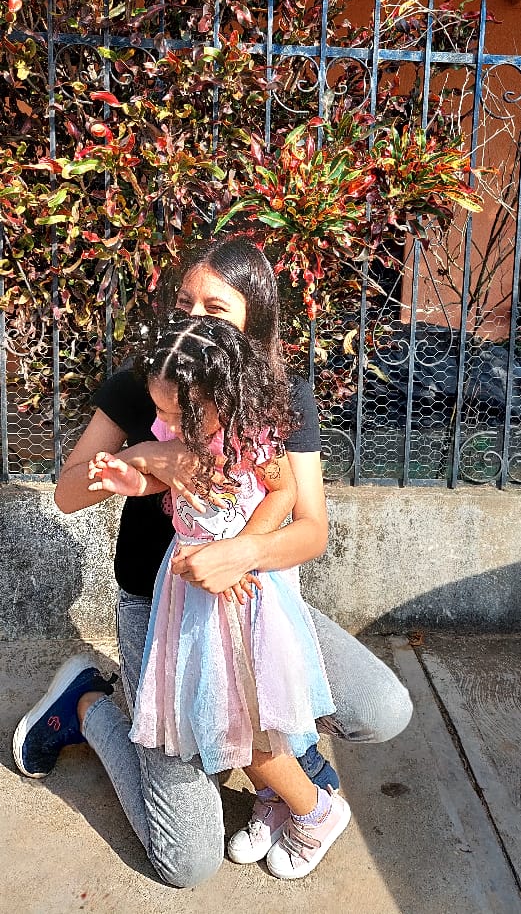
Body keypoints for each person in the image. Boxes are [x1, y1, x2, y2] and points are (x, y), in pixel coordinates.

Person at [12, 235, 413, 889]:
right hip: (159, 607)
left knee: (379, 709)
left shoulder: (276, 400)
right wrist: (148, 458)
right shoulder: (152, 381)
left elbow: (308, 526)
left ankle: (283, 769)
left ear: (254, 319)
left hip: (250, 596)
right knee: (187, 862)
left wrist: (242, 553)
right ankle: (88, 704)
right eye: (184, 302)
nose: (194, 318)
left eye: (216, 308)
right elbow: (69, 492)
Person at [87, 313, 350, 879]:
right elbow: (163, 479)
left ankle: (316, 811)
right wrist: (131, 476)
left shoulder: (251, 438)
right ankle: (276, 800)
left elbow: (283, 492)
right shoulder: (176, 429)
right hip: (191, 594)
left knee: (244, 720)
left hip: (242, 595)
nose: (165, 423)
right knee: (215, 709)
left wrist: (242, 550)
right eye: (159, 411)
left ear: (225, 399)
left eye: (177, 414)